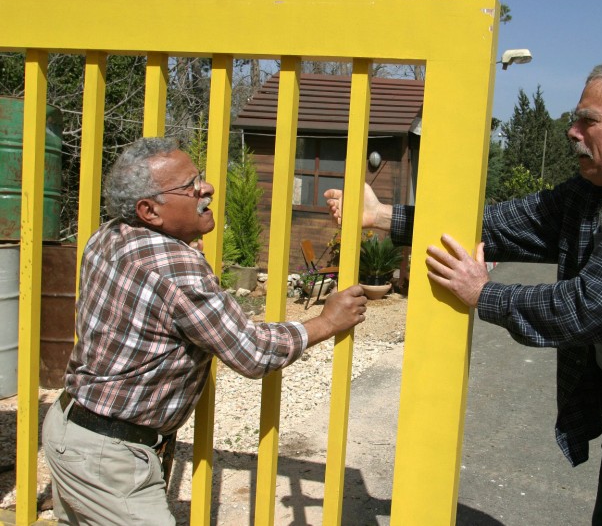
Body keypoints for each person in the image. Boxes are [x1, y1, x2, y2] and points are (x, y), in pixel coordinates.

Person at [325, 57, 602, 525]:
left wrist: (485, 294)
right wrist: (386, 216)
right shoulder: (594, 190)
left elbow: (593, 305)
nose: (573, 131)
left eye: (588, 120)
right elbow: (500, 224)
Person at [42, 137, 367, 525]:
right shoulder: (178, 268)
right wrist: (327, 322)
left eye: (201, 178)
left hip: (70, 427)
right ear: (149, 210)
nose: (206, 188)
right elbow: (252, 353)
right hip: (108, 456)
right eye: (190, 185)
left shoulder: (108, 234)